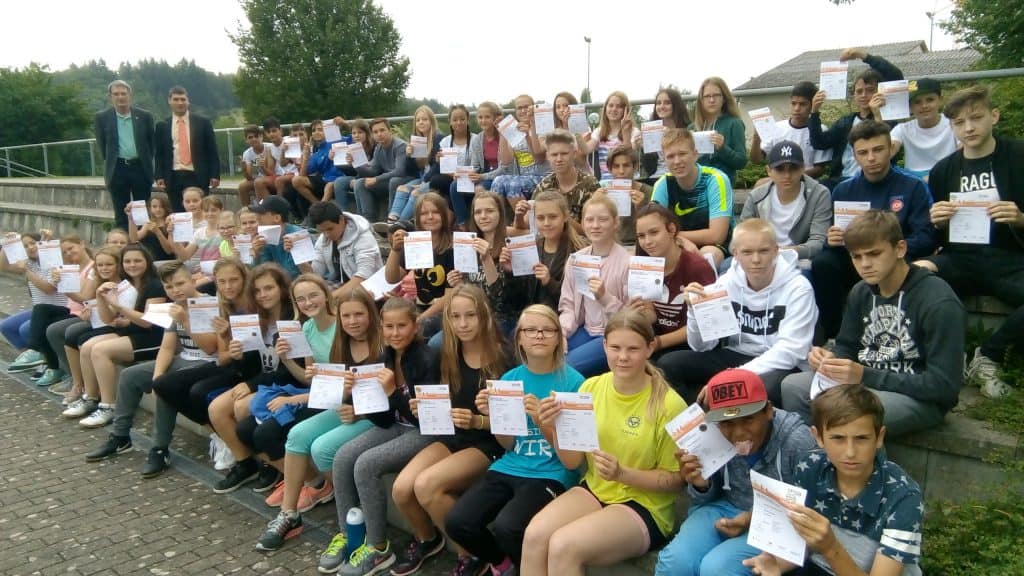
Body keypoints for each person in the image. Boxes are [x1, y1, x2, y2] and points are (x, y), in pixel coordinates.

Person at [521, 309, 687, 575]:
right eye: (615, 347)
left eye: (633, 348)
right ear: (604, 346)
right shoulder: (590, 388)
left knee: (564, 546)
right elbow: (574, 462)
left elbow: (677, 481)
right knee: (534, 536)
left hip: (645, 505)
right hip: (596, 488)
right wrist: (551, 425)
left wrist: (624, 474)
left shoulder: (670, 404)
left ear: (650, 347)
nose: (622, 357)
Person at [781, 210, 964, 438]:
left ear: (900, 249)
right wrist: (830, 361)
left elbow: (944, 387)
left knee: (854, 413)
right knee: (792, 386)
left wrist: (864, 376)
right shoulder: (861, 291)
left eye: (874, 254)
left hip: (918, 398)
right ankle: (808, 458)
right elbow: (847, 347)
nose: (865, 264)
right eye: (856, 257)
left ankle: (864, 470)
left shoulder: (938, 301)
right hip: (866, 384)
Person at [444, 305, 585, 574]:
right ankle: (502, 564)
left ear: (558, 337)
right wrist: (494, 414)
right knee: (458, 521)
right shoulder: (509, 379)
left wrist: (545, 423)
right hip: (510, 465)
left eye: (547, 330)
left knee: (508, 526)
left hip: (551, 472)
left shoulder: (575, 383)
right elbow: (508, 444)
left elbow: (573, 461)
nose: (539, 336)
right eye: (530, 330)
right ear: (519, 337)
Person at [743, 385, 924, 576]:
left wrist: (830, 547)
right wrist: (777, 564)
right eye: (837, 438)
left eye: (861, 438)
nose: (850, 452)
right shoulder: (810, 467)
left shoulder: (903, 497)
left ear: (879, 438)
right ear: (818, 437)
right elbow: (801, 544)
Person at [390, 285, 509, 575]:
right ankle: (428, 540)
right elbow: (440, 409)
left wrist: (478, 420)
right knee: (401, 489)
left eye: (470, 316)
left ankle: (471, 555)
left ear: (485, 317)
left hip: (488, 444)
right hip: (453, 436)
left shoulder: (503, 358)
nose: (463, 324)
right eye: (455, 317)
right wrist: (423, 409)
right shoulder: (445, 353)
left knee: (426, 485)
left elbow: (512, 424)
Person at [254, 286, 383, 552]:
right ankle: (289, 515)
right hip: (345, 406)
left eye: (359, 314)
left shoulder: (382, 343)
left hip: (374, 414)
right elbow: (336, 390)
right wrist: (333, 387)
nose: (352, 321)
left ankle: (353, 511)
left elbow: (387, 395)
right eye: (347, 316)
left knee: (322, 448)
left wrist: (355, 406)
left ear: (371, 314)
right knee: (297, 435)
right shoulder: (342, 341)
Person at [317, 298, 439, 576]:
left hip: (424, 432)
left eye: (402, 326)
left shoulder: (427, 358)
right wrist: (358, 394)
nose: (395, 333)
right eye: (389, 327)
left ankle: (378, 547)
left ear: (415, 325)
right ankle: (350, 536)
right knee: (343, 457)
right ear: (381, 327)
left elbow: (427, 420)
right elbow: (383, 419)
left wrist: (391, 393)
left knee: (366, 464)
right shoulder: (384, 356)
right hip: (395, 424)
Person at [654, 368, 816, 576]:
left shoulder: (798, 441)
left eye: (748, 419)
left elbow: (814, 510)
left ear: (768, 411)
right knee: (676, 562)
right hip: (727, 507)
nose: (738, 433)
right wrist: (701, 484)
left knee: (718, 568)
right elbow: (703, 499)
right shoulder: (711, 431)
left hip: (779, 521)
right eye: (728, 422)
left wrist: (751, 519)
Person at [917, 84, 1024, 399]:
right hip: (959, 258)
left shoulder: (1018, 156)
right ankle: (928, 355)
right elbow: (934, 236)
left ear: (994, 116)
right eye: (960, 122)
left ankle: (988, 356)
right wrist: (935, 220)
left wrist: (1020, 217)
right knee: (912, 274)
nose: (969, 127)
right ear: (951, 127)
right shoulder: (943, 170)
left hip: (1009, 258)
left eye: (976, 118)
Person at [658, 219, 818, 404]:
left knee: (756, 388)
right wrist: (694, 313)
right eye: (747, 252)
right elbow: (702, 346)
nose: (756, 259)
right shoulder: (726, 283)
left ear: (776, 251)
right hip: (737, 353)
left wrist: (734, 376)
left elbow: (791, 351)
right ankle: (700, 424)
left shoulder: (798, 288)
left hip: (782, 363)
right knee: (669, 364)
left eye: (763, 251)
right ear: (735, 254)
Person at [83, 261, 218, 477]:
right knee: (130, 376)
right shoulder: (176, 306)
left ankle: (159, 449)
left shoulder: (210, 305)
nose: (175, 290)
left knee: (166, 386)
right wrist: (156, 375)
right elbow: (167, 347)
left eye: (180, 283)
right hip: (183, 358)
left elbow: (211, 349)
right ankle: (120, 436)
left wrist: (185, 319)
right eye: (169, 287)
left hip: (206, 363)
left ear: (193, 281)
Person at [811, 121, 935, 339]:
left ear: (890, 149)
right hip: (856, 259)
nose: (871, 158)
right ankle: (835, 336)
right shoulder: (844, 190)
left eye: (878, 150)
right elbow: (834, 235)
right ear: (855, 156)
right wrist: (831, 239)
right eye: (863, 152)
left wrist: (889, 249)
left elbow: (926, 236)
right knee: (823, 263)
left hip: (895, 260)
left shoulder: (912, 187)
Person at [207, 263, 296, 494]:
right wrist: (238, 355)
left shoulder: (293, 319)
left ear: (282, 289)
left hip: (287, 383)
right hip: (263, 380)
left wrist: (250, 385)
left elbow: (290, 370)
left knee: (242, 406)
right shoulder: (256, 319)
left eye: (269, 288)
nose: (263, 295)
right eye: (257, 291)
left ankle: (270, 464)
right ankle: (246, 463)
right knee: (216, 409)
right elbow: (251, 366)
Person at [61, 243, 168, 427]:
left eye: (137, 261)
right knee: (87, 347)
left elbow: (149, 322)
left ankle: (108, 406)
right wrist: (100, 295)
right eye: (127, 261)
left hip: (154, 337)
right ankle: (90, 398)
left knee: (100, 350)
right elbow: (108, 318)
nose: (132, 265)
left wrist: (119, 307)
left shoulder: (155, 285)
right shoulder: (127, 283)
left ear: (147, 261)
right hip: (132, 331)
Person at [808, 47, 904, 190]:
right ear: (854, 96)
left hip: (875, 181)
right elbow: (819, 142)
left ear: (879, 92)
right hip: (843, 181)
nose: (864, 95)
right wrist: (814, 112)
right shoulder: (846, 122)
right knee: (813, 190)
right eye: (859, 91)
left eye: (870, 90)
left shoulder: (888, 119)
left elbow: (895, 75)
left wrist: (862, 55)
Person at [632, 203, 716, 358]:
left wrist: (657, 343)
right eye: (641, 236)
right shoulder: (645, 263)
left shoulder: (696, 267)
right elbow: (653, 315)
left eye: (654, 232)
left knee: (664, 363)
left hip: (692, 345)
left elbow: (706, 324)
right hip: (656, 340)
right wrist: (638, 314)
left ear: (671, 230)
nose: (647, 241)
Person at [559, 194, 630, 377]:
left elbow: (632, 319)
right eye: (589, 220)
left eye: (603, 220)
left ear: (615, 223)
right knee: (546, 356)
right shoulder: (577, 260)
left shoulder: (627, 262)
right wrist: (561, 333)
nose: (595, 225)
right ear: (582, 223)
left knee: (566, 368)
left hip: (613, 335)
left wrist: (605, 297)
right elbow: (568, 306)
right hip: (584, 330)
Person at [651, 128, 734, 267]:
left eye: (682, 154)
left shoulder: (716, 179)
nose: (677, 161)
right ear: (664, 160)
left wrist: (674, 236)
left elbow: (717, 235)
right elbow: (652, 228)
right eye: (670, 156)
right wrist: (678, 240)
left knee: (708, 255)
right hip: (676, 242)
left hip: (715, 245)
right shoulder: (663, 184)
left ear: (695, 154)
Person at [741, 141, 833, 262]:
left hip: (799, 260)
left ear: (803, 168)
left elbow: (818, 241)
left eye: (793, 168)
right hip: (759, 258)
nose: (787, 175)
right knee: (726, 267)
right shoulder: (756, 196)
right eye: (780, 169)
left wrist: (786, 252)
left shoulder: (819, 194)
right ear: (769, 171)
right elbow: (740, 237)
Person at [501, 190, 588, 314]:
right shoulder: (531, 247)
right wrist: (510, 272)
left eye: (553, 217)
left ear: (565, 217)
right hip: (533, 318)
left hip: (564, 320)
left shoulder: (579, 251)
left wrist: (549, 282)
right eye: (541, 218)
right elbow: (516, 300)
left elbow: (581, 302)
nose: (546, 223)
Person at [57, 246, 123, 407]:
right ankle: (79, 385)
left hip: (116, 324)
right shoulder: (98, 279)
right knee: (72, 334)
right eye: (100, 265)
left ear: (118, 265)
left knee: (81, 337)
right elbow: (85, 300)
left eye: (109, 264)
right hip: (101, 321)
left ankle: (94, 391)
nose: (104, 268)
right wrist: (62, 285)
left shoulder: (122, 283)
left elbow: (115, 314)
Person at [384, 192, 455, 339]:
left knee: (417, 330)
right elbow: (391, 278)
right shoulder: (416, 243)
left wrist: (419, 318)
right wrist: (395, 250)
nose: (430, 217)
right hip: (420, 306)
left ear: (444, 215)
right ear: (417, 219)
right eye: (424, 213)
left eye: (435, 212)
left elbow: (449, 298)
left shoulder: (452, 247)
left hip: (446, 310)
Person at [1, 232, 70, 377]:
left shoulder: (53, 261)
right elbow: (3, 265)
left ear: (41, 243)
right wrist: (8, 244)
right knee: (6, 326)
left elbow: (48, 289)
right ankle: (36, 360)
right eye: (25, 246)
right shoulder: (29, 263)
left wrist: (26, 271)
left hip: (59, 309)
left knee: (26, 328)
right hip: (40, 310)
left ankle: (46, 361)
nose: (30, 248)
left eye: (33, 243)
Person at [94, 80, 155, 229]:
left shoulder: (145, 116)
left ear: (130, 95)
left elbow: (151, 144)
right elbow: (102, 145)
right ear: (110, 97)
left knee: (142, 212)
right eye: (116, 94)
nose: (120, 97)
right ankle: (122, 245)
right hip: (117, 168)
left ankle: (143, 246)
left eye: (123, 93)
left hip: (140, 167)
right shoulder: (102, 117)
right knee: (121, 213)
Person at [749, 81, 831, 182]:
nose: (797, 108)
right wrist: (756, 138)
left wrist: (789, 178)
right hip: (778, 185)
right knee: (759, 185)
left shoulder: (821, 130)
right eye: (793, 103)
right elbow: (756, 160)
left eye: (802, 104)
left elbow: (819, 169)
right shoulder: (777, 127)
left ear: (812, 105)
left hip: (807, 185)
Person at [154, 86, 220, 211]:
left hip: (198, 174)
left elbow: (212, 150)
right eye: (176, 99)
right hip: (173, 175)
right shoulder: (162, 125)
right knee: (178, 214)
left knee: (200, 212)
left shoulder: (203, 122)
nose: (180, 103)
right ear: (169, 101)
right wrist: (159, 176)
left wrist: (215, 174)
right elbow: (159, 153)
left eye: (183, 99)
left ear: (188, 101)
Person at [379, 106, 444, 229]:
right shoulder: (416, 139)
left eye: (424, 119)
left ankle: (398, 227)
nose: (421, 122)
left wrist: (423, 183)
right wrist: (409, 156)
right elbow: (412, 171)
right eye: (418, 120)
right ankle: (390, 221)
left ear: (431, 121)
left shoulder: (438, 138)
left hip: (434, 178)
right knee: (402, 188)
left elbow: (438, 166)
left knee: (415, 192)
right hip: (422, 178)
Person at [887, 78, 958, 180]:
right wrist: (878, 116)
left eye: (930, 100)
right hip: (914, 180)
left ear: (940, 100)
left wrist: (932, 177)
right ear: (910, 107)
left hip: (948, 174)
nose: (924, 106)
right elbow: (885, 152)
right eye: (917, 102)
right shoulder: (903, 129)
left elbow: (965, 152)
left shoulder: (954, 123)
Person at [309, 201, 384, 298]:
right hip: (339, 284)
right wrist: (298, 254)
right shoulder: (324, 238)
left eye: (330, 229)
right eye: (322, 231)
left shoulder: (364, 238)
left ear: (341, 219)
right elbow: (315, 274)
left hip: (368, 287)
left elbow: (363, 277)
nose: (327, 234)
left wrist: (330, 298)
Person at [527, 129, 601, 224]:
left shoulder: (589, 183)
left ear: (574, 154)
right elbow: (531, 223)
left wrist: (562, 217)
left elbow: (593, 228)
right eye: (554, 155)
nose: (559, 159)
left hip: (581, 237)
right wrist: (519, 216)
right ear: (548, 157)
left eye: (564, 154)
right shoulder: (545, 185)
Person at [492, 95, 550, 210]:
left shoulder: (543, 127)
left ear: (533, 108)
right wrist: (502, 131)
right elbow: (506, 161)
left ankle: (523, 222)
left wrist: (528, 135)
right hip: (525, 178)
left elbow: (539, 159)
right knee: (498, 180)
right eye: (519, 108)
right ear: (515, 111)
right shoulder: (514, 129)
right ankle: (499, 222)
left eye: (526, 107)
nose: (523, 111)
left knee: (513, 185)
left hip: (545, 177)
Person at [690, 77, 748, 186]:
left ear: (724, 98)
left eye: (716, 95)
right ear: (701, 100)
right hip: (695, 186)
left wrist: (723, 148)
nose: (711, 100)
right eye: (707, 96)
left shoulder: (734, 123)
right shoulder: (692, 128)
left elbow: (741, 162)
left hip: (721, 186)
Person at [352, 118, 410, 222]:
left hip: (407, 179)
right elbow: (373, 171)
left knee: (394, 180)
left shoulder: (400, 146)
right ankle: (367, 221)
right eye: (375, 132)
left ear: (390, 131)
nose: (379, 134)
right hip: (388, 181)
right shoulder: (378, 148)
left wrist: (376, 179)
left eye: (382, 130)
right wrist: (355, 163)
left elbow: (400, 171)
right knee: (360, 183)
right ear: (373, 135)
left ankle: (390, 221)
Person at [582, 91, 640, 180]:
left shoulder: (634, 131)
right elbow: (586, 149)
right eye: (611, 105)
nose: (614, 109)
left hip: (627, 180)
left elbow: (629, 155)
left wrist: (625, 133)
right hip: (606, 180)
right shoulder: (599, 131)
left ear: (626, 110)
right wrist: (577, 134)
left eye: (619, 106)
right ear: (605, 108)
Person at [642, 87, 691, 182]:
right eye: (658, 103)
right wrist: (643, 148)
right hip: (656, 178)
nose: (662, 106)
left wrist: (672, 135)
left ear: (676, 105)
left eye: (667, 103)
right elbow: (649, 169)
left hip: (681, 177)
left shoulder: (689, 128)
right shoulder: (651, 129)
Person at [251, 195, 304, 279]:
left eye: (261, 214)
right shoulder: (266, 235)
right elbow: (260, 272)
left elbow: (292, 273)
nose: (258, 217)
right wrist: (257, 254)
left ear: (277, 218)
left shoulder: (297, 235)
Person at [332, 118, 373, 213]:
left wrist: (356, 166)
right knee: (339, 181)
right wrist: (336, 159)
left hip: (371, 177)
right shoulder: (352, 148)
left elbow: (373, 170)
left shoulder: (374, 146)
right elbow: (349, 172)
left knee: (358, 183)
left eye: (360, 132)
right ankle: (343, 214)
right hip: (358, 176)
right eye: (354, 133)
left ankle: (362, 216)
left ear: (367, 133)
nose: (356, 136)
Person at [125, 191, 175, 262]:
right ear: (150, 208)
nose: (158, 209)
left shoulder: (170, 223)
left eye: (161, 207)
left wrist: (157, 232)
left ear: (166, 207)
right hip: (148, 261)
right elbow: (134, 239)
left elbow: (169, 250)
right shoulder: (147, 223)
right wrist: (131, 219)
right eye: (154, 206)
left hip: (165, 261)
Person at [240, 125, 273, 205]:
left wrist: (263, 167)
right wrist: (244, 169)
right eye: (250, 137)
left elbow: (271, 173)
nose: (254, 139)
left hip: (273, 176)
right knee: (242, 186)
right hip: (259, 178)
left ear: (261, 137)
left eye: (256, 136)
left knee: (259, 182)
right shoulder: (247, 153)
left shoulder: (270, 147)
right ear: (246, 140)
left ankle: (265, 207)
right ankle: (246, 210)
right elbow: (249, 178)